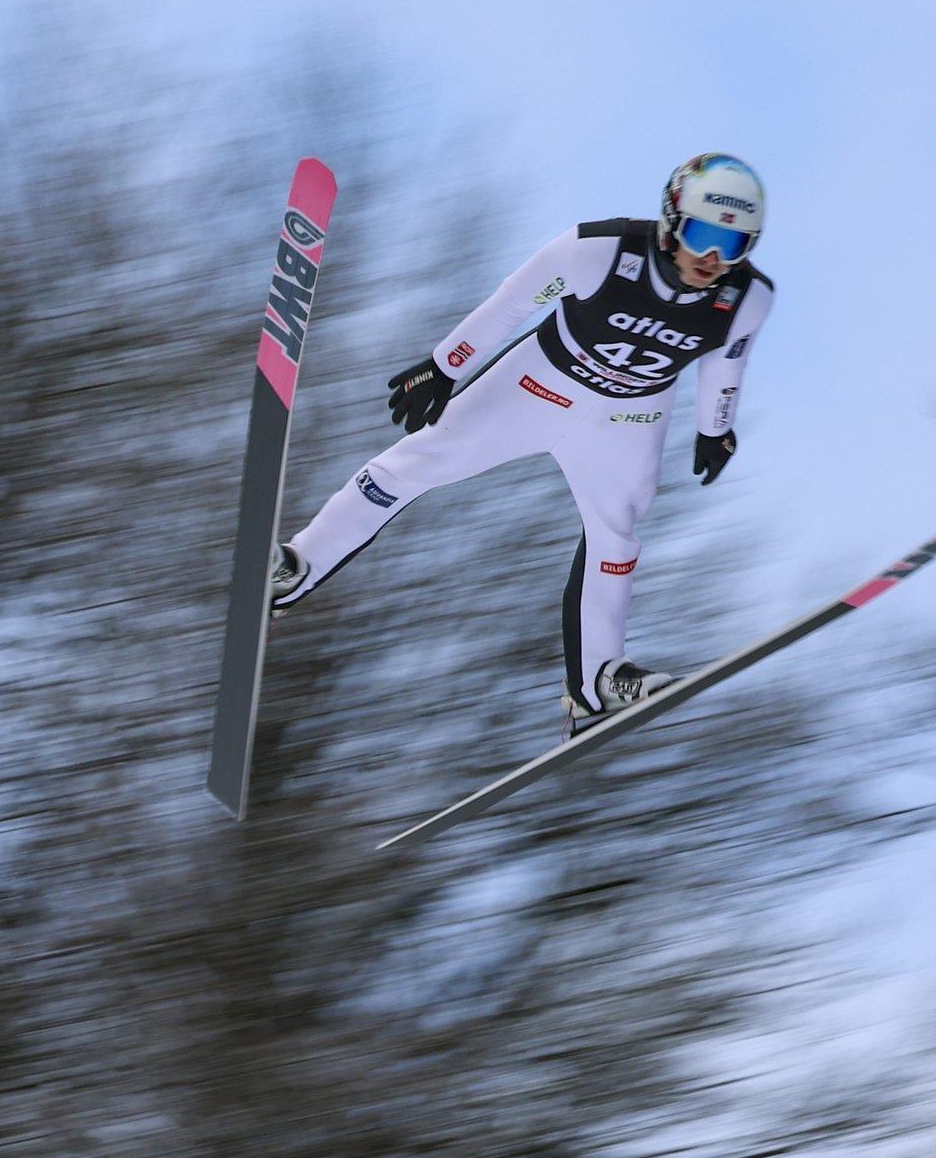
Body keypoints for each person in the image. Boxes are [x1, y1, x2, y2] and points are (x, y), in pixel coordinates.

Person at [269, 153, 775, 735]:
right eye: (704, 235)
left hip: (628, 417)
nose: (713, 258)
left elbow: (727, 362)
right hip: (539, 385)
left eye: (733, 245)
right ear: (671, 218)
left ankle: (597, 684)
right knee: (415, 463)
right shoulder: (597, 251)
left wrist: (716, 429)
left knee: (617, 534)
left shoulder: (746, 299)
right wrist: (443, 365)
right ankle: (296, 567)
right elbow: (513, 301)